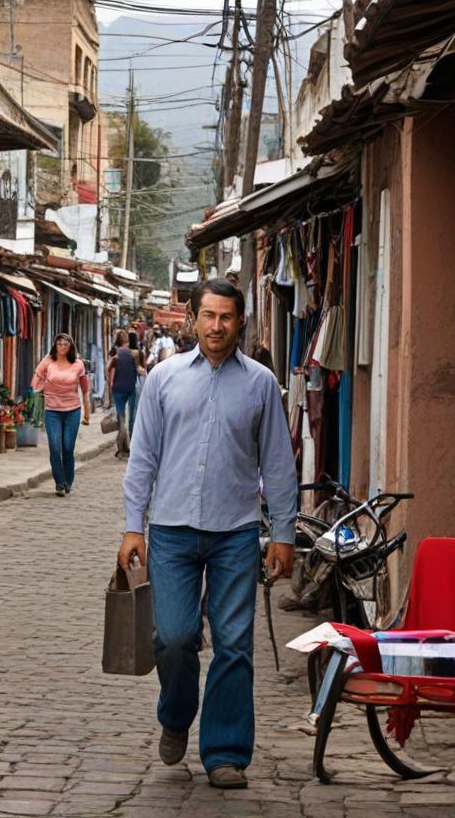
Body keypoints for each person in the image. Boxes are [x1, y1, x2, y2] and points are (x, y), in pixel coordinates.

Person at [117, 277, 297, 790]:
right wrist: (134, 527)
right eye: (209, 316)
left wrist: (282, 534)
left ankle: (225, 751)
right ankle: (175, 716)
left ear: (241, 322)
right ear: (194, 318)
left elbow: (279, 466)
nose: (217, 326)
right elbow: (143, 457)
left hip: (235, 533)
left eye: (227, 317)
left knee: (234, 645)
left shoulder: (261, 383)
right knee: (172, 638)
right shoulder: (164, 379)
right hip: (171, 531)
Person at [31, 333, 90, 496]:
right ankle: (59, 483)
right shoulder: (48, 360)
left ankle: (68, 480)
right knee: (55, 448)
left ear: (71, 345)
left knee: (68, 447)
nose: (62, 346)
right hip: (52, 411)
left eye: (66, 343)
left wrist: (87, 411)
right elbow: (36, 378)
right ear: (55, 345)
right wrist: (39, 388)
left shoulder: (78, 364)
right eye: (59, 343)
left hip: (72, 410)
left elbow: (85, 390)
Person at [106, 330, 142, 451]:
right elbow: (137, 369)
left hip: (117, 388)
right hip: (131, 387)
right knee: (132, 417)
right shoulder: (134, 353)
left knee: (121, 416)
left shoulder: (114, 353)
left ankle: (121, 445)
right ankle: (133, 444)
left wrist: (110, 385)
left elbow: (109, 369)